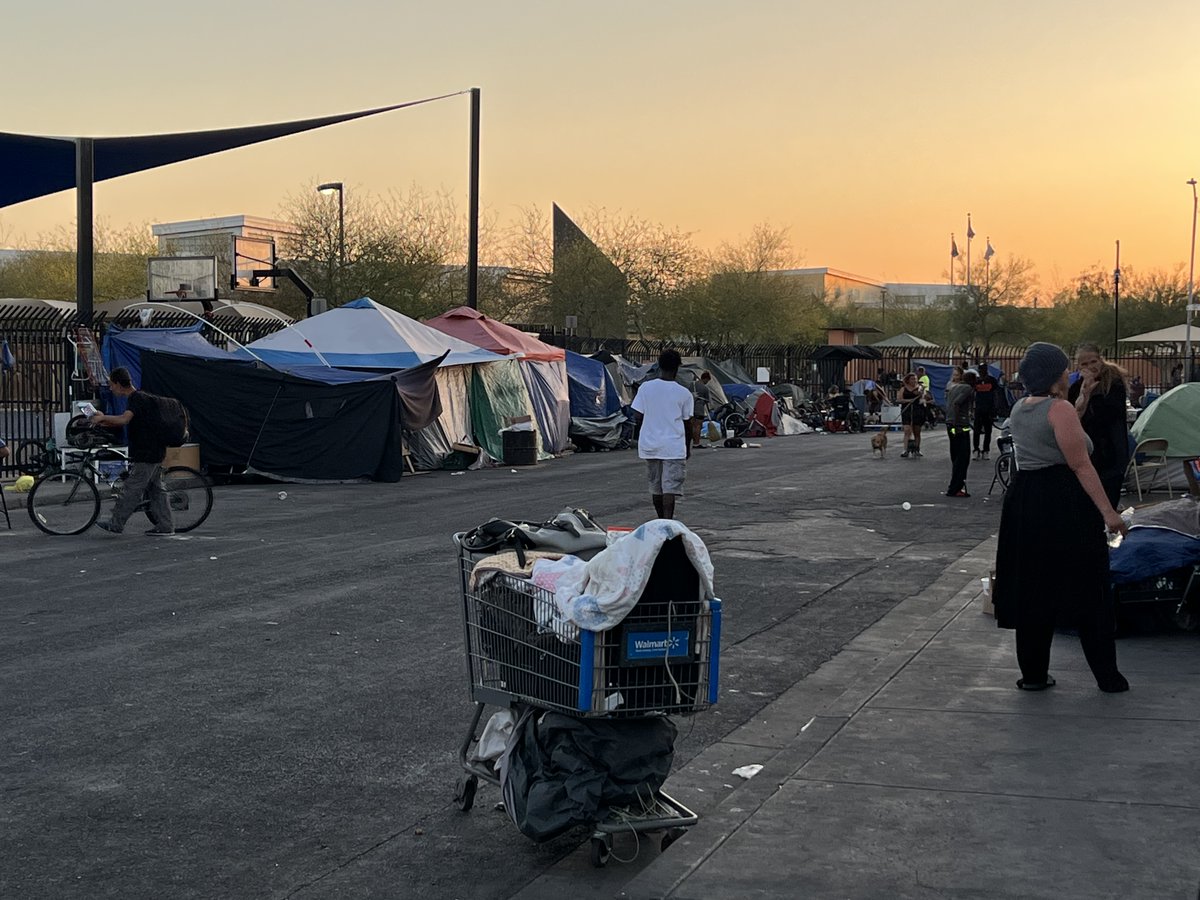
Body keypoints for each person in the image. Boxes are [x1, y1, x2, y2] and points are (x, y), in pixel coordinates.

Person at [992, 342, 1129, 694]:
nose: (1070, 373)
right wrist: (1109, 513)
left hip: (1025, 500)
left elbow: (1065, 423)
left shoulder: (1021, 407)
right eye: (1064, 369)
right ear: (1055, 376)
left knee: (1034, 588)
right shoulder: (1060, 410)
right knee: (1088, 587)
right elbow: (1081, 464)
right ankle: (1107, 676)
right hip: (1063, 500)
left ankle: (1034, 674)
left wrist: (1081, 398)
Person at [88, 366, 174, 535]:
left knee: (132, 488)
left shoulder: (137, 398)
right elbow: (123, 421)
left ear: (120, 384)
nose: (111, 388)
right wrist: (102, 419)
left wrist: (103, 417)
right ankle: (165, 526)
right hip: (154, 450)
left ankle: (116, 523)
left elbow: (124, 419)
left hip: (147, 453)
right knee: (156, 490)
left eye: (112, 384)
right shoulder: (138, 398)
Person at [631, 350, 694, 521]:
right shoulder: (684, 393)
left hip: (650, 444)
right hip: (673, 446)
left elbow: (637, 415)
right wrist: (687, 447)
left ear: (658, 365)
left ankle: (660, 521)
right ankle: (668, 521)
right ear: (678, 367)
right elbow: (687, 423)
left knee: (656, 487)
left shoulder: (646, 388)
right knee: (670, 488)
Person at [1066, 342, 1130, 509]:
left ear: (1100, 360)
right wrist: (1083, 392)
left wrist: (1090, 395)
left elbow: (1110, 414)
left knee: (1108, 502)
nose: (1090, 367)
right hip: (1086, 452)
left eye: (1093, 362)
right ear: (1078, 366)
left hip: (1111, 453)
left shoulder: (1113, 383)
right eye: (1084, 364)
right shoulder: (1075, 388)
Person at [945, 370, 976, 497]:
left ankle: (955, 486)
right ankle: (956, 488)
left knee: (955, 456)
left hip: (950, 424)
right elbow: (958, 403)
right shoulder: (968, 389)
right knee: (963, 459)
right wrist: (959, 421)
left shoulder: (954, 387)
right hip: (960, 426)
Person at [972, 361, 1000, 460]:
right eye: (979, 370)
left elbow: (996, 394)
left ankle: (986, 450)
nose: (981, 371)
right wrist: (972, 408)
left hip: (989, 409)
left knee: (988, 430)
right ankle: (976, 450)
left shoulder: (992, 381)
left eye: (982, 369)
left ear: (986, 370)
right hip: (978, 409)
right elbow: (972, 395)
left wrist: (995, 408)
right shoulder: (976, 381)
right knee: (976, 430)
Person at [898, 373, 925, 457]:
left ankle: (917, 449)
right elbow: (899, 400)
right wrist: (908, 401)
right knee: (907, 430)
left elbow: (922, 398)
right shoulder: (903, 389)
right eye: (912, 379)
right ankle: (905, 449)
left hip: (917, 411)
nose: (914, 380)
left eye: (916, 379)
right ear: (908, 380)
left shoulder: (920, 388)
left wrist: (922, 395)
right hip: (907, 411)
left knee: (917, 431)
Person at [691, 371, 714, 449]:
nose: (707, 382)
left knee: (693, 426)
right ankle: (696, 443)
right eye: (707, 381)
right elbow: (707, 400)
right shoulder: (704, 388)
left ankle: (692, 442)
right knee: (698, 426)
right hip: (699, 408)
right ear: (706, 379)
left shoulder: (692, 384)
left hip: (691, 408)